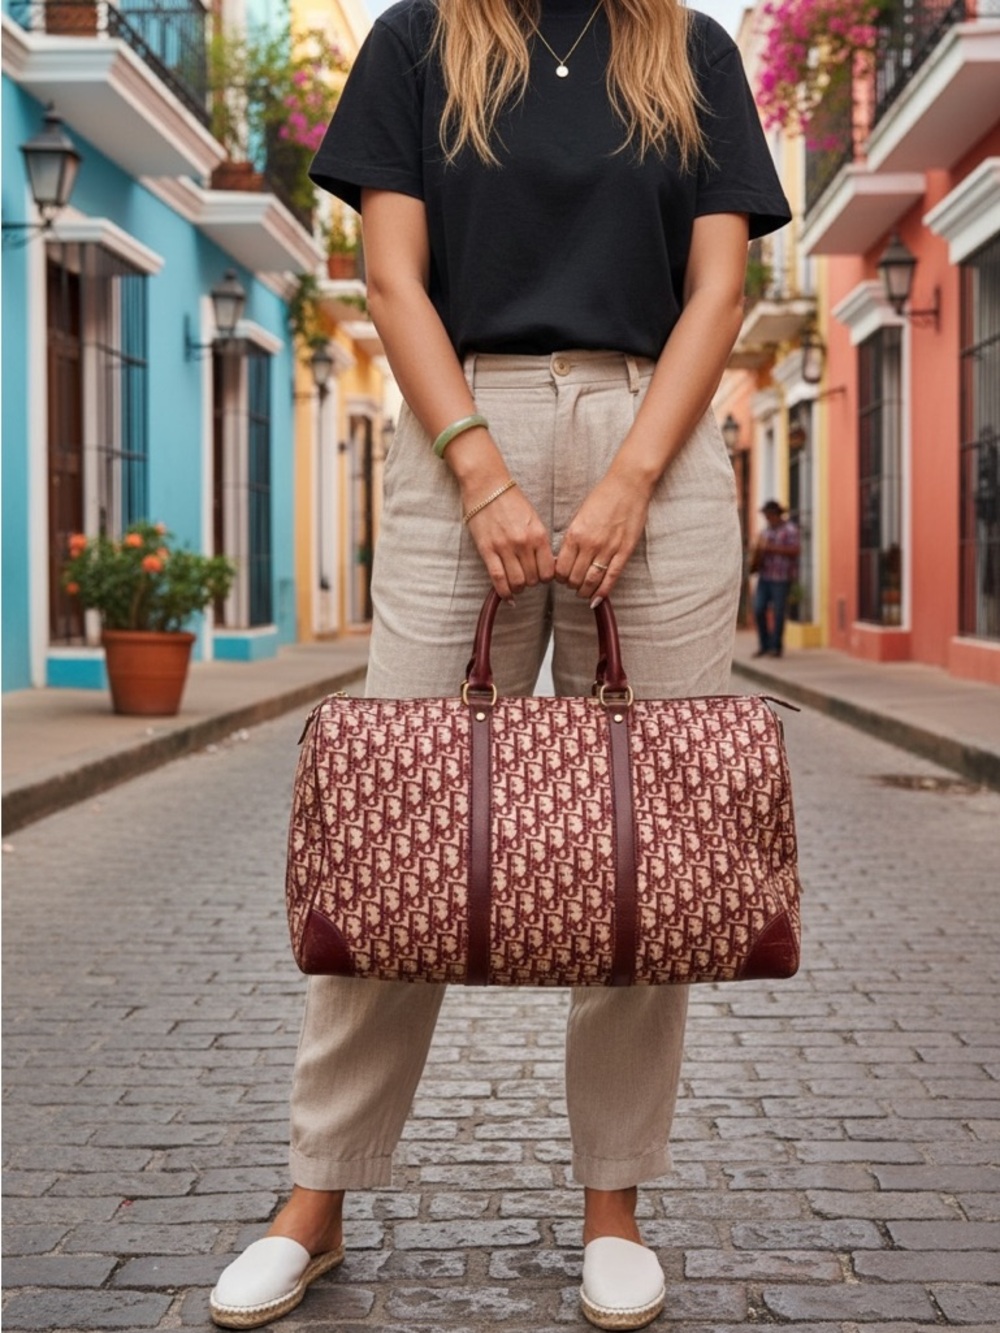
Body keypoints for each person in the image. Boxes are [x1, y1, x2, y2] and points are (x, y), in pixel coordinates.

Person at [209, 2, 790, 1328]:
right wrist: (478, 467)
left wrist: (635, 474)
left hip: (660, 432)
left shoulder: (687, 50)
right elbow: (391, 277)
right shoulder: (420, 40)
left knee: (649, 833)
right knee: (397, 816)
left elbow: (721, 286)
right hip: (458, 416)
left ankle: (614, 1206)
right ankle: (317, 1196)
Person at [751, 500, 800, 658]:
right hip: (765, 576)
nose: (766, 518)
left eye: (768, 515)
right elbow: (758, 553)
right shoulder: (765, 532)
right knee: (758, 609)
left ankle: (776, 647)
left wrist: (772, 549)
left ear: (776, 514)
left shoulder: (790, 530)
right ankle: (764, 645)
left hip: (782, 577)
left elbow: (795, 550)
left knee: (779, 612)